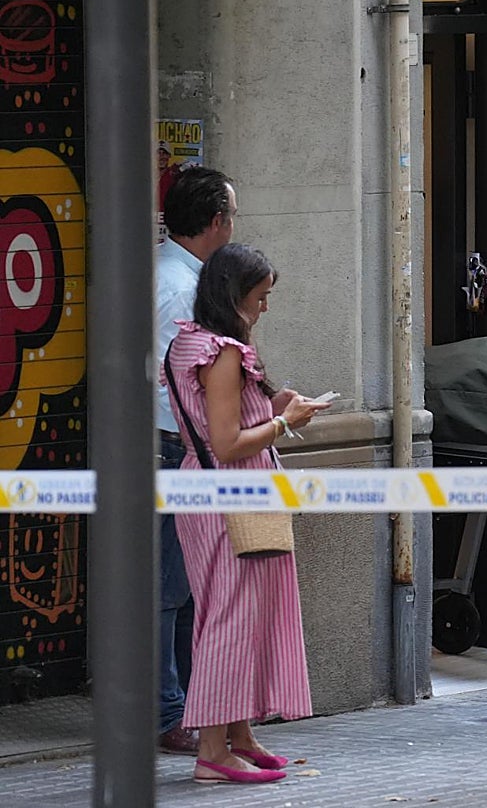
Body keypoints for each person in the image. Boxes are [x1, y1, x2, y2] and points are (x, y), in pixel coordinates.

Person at [163, 243, 331, 784]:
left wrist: (272, 407)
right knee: (230, 621)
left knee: (229, 614)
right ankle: (213, 753)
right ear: (234, 295)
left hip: (208, 490)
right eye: (260, 297)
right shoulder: (224, 353)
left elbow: (214, 422)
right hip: (231, 493)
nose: (264, 308)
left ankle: (240, 737)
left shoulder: (189, 342)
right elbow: (228, 443)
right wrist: (284, 423)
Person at [154, 166, 238, 755]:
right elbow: (175, 382)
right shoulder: (179, 290)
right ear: (215, 222)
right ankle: (167, 712)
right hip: (170, 445)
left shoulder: (174, 277)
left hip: (176, 444)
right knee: (167, 588)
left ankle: (187, 705)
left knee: (184, 585)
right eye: (232, 216)